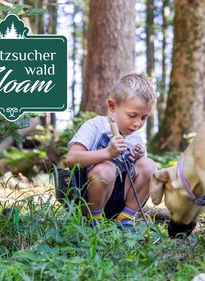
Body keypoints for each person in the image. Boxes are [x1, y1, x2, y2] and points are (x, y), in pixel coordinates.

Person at [66, 73, 157, 229]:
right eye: (132, 115)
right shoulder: (95, 125)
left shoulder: (136, 138)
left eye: (143, 118)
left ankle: (126, 219)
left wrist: (138, 159)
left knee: (149, 166)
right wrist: (107, 153)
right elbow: (71, 159)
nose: (137, 123)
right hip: (89, 198)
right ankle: (93, 221)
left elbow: (141, 176)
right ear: (112, 106)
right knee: (106, 168)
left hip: (119, 199)